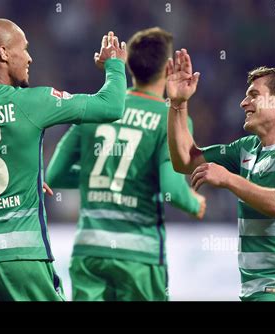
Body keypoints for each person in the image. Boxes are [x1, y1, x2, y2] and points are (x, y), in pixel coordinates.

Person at [0, 18, 127, 301]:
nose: (29, 57)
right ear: (3, 53)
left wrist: (23, 175)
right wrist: (114, 65)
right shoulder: (30, 102)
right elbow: (111, 106)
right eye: (23, 49)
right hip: (21, 259)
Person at [45, 28, 206, 301]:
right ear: (168, 67)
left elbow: (55, 174)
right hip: (138, 254)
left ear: (129, 64)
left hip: (90, 250)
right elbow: (172, 188)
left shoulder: (98, 108)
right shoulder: (171, 118)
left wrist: (101, 178)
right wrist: (194, 203)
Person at [166, 49, 275, 301]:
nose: (243, 103)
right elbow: (185, 160)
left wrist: (230, 179)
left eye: (254, 95)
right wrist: (178, 104)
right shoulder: (247, 148)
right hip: (255, 288)